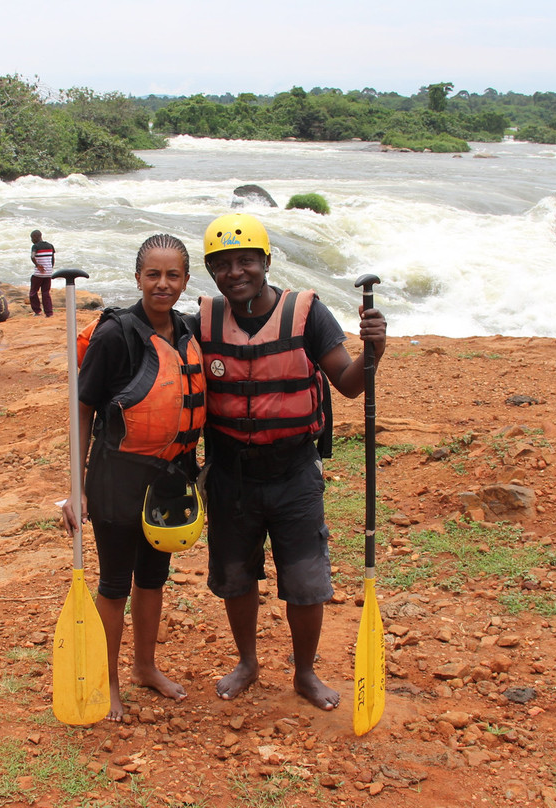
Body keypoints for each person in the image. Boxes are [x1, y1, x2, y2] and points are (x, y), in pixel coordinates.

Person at [189, 212, 387, 711]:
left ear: (267, 262)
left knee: (303, 579)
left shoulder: (308, 313)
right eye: (223, 265)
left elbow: (346, 381)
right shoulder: (205, 320)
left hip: (294, 471)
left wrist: (374, 352)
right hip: (231, 473)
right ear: (212, 272)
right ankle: (248, 663)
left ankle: (304, 673)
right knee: (236, 575)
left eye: (247, 262)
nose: (236, 273)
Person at [61, 233, 207, 721]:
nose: (163, 284)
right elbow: (82, 409)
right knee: (116, 584)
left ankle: (146, 666)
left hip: (169, 479)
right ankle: (109, 683)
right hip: (116, 481)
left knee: (153, 578)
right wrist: (75, 490)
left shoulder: (189, 330)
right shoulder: (115, 335)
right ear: (138, 277)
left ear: (186, 280)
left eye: (173, 275)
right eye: (153, 274)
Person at [29, 229, 55, 317]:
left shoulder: (35, 246)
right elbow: (52, 259)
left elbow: (32, 256)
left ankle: (37, 311)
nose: (31, 240)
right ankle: (49, 313)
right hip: (48, 273)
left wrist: (37, 265)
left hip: (38, 274)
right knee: (45, 293)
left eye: (32, 238)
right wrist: (50, 269)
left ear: (36, 237)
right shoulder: (50, 246)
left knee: (33, 292)